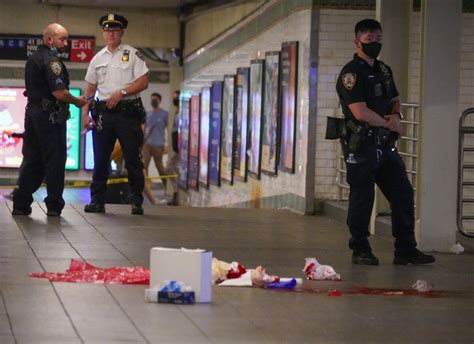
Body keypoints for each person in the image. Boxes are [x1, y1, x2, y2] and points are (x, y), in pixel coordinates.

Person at [336, 19, 435, 266]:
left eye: (378, 39)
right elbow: (359, 111)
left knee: (402, 193)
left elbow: (395, 100)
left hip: (383, 145)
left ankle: (405, 249)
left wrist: (396, 116)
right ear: (357, 42)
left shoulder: (384, 70)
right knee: (363, 197)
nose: (375, 44)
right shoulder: (351, 73)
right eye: (370, 40)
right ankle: (360, 248)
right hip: (361, 146)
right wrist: (387, 122)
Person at [11, 23, 87, 217]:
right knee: (55, 160)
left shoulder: (33, 59)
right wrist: (78, 101)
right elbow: (60, 92)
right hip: (49, 116)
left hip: (33, 113)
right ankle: (54, 206)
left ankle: (21, 203)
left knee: (32, 159)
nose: (66, 43)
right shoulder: (51, 62)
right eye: (62, 39)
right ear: (49, 39)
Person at [82, 13, 149, 215]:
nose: (111, 33)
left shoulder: (132, 54)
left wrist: (122, 92)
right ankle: (97, 201)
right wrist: (85, 114)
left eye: (115, 30)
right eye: (107, 30)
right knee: (101, 159)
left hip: (128, 113)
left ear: (121, 33)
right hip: (104, 115)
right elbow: (90, 90)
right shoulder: (97, 59)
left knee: (132, 159)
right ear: (103, 33)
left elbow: (143, 81)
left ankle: (136, 201)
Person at [142, 92, 168, 189]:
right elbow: (145, 128)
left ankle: (167, 186)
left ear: (159, 101)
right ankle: (146, 186)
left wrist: (166, 145)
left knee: (160, 167)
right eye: (151, 99)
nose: (153, 101)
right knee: (144, 166)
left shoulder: (165, 114)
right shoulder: (148, 114)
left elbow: (168, 129)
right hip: (147, 145)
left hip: (159, 145)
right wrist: (142, 142)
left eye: (155, 99)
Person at [166, 90, 180, 206]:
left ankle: (177, 192)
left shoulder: (183, 113)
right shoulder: (177, 112)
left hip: (182, 148)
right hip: (177, 147)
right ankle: (176, 192)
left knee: (170, 168)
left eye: (176, 98)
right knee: (171, 168)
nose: (175, 100)